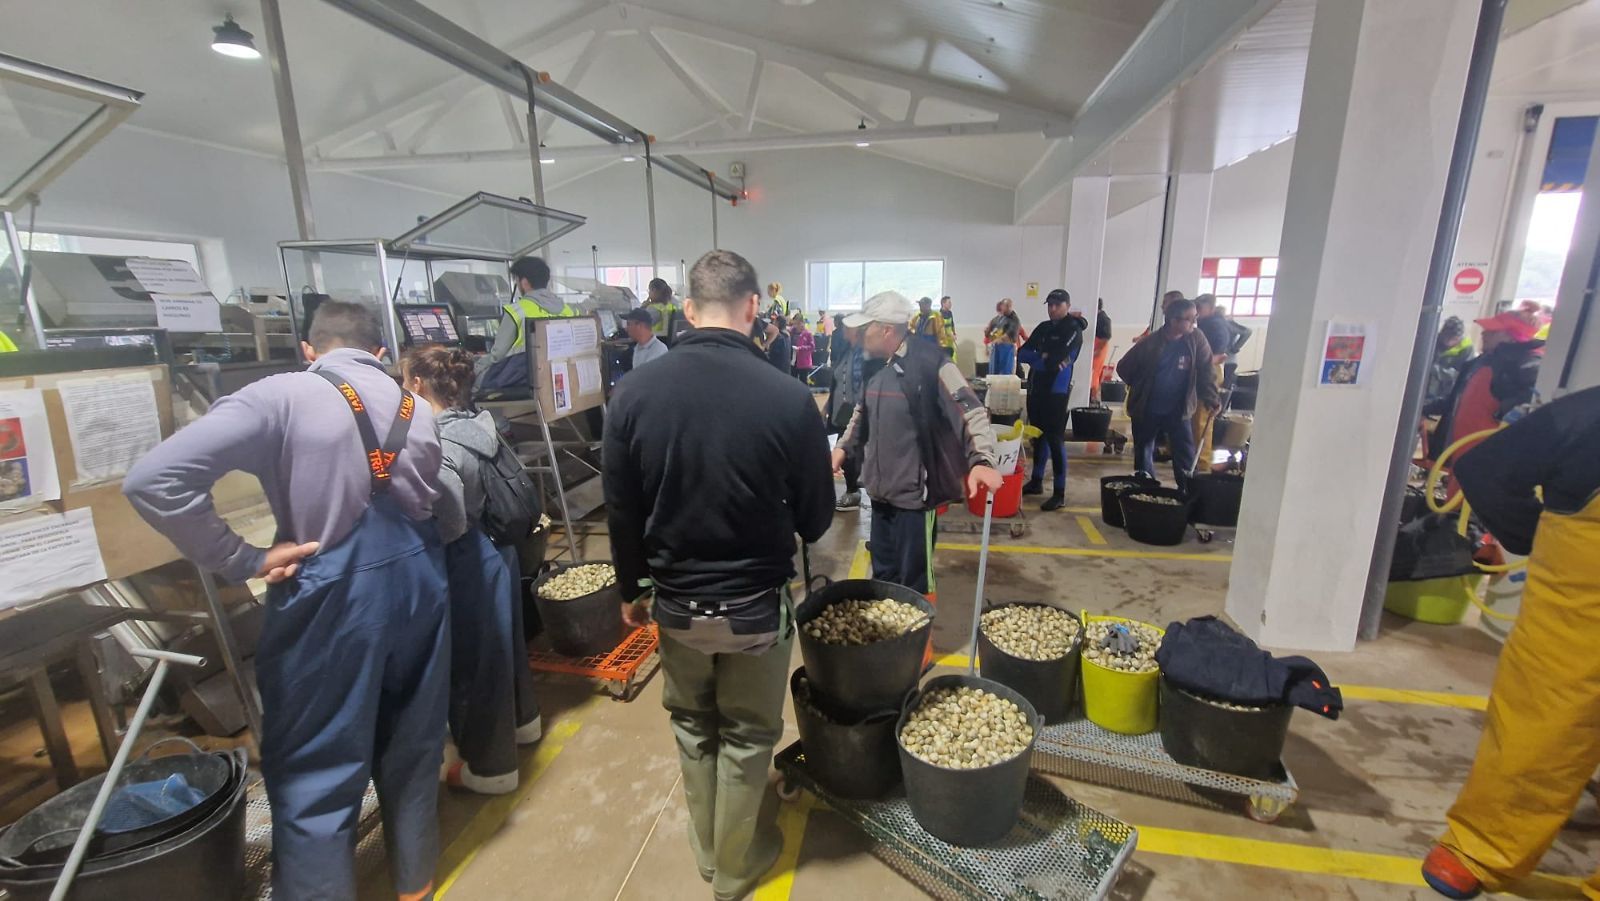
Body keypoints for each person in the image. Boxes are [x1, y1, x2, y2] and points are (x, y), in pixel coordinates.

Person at [124, 301, 448, 901]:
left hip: (332, 592)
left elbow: (154, 480)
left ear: (309, 349)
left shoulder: (281, 395)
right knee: (414, 741)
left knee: (316, 761)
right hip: (419, 584)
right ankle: (416, 884)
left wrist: (241, 558)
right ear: (380, 353)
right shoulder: (417, 409)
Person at [603, 249, 833, 901]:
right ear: (754, 307)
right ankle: (734, 867)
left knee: (692, 722)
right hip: (756, 608)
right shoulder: (789, 399)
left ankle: (706, 849)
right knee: (748, 732)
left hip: (673, 603)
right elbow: (817, 522)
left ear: (685, 307)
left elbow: (622, 506)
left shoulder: (634, 394)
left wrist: (632, 589)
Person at [1420, 385, 1600, 901]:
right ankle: (1479, 847)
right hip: (1581, 606)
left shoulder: (1583, 415)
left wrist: (1530, 538)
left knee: (1545, 716)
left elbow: (1484, 469)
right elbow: (1486, 470)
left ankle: (1479, 849)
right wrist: (1534, 539)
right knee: (1545, 719)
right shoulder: (1585, 416)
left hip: (1575, 603)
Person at [400, 346, 543, 797]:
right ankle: (524, 724)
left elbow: (451, 521)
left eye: (404, 381)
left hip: (468, 559)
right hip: (500, 553)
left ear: (419, 385)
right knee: (505, 650)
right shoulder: (482, 424)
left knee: (473, 666)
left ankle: (489, 767)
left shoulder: (436, 443)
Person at [834, 291, 1002, 599]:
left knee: (916, 582)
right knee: (884, 573)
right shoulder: (874, 365)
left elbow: (970, 409)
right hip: (880, 494)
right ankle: (891, 640)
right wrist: (843, 447)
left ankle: (918, 645)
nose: (859, 335)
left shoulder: (931, 363)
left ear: (886, 329)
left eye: (866, 327)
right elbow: (862, 412)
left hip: (915, 498)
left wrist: (982, 461)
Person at [1116, 298, 1219, 494]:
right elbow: (1124, 367)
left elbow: (1206, 369)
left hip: (1178, 409)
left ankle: (1187, 493)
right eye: (1189, 318)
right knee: (1144, 450)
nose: (1194, 322)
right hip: (1147, 408)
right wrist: (1141, 385)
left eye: (1195, 317)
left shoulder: (1196, 339)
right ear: (1173, 320)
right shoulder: (1151, 343)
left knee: (1185, 454)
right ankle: (1146, 493)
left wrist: (1212, 398)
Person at [1427, 312, 1542, 465]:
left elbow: (1526, 414)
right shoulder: (1479, 363)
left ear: (1511, 337)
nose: (1483, 333)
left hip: (1488, 460)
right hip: (1460, 454)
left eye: (1493, 331)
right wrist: (1422, 409)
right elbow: (1455, 401)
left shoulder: (1526, 368)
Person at [1019, 289, 1087, 511]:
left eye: (1057, 305)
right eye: (1049, 305)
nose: (1052, 309)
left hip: (1056, 391)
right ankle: (1037, 481)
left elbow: (1056, 361)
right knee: (1037, 437)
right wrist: (1042, 357)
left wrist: (1040, 358)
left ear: (1067, 305)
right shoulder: (1044, 327)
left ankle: (1059, 492)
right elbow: (1022, 353)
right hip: (1036, 388)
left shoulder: (1073, 330)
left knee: (1055, 439)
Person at [477, 256, 581, 389]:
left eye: (517, 280)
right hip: (560, 380)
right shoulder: (568, 310)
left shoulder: (517, 311)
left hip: (523, 381)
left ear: (524, 282)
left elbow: (497, 356)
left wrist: (475, 364)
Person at [826, 322, 869, 511]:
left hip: (855, 413)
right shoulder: (846, 351)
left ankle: (854, 491)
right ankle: (852, 488)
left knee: (851, 451)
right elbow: (837, 381)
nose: (842, 333)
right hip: (841, 412)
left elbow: (862, 386)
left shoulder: (864, 354)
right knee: (847, 452)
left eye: (846, 329)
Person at [1192, 294, 1232, 469]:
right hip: (1200, 369)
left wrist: (1207, 361)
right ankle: (1193, 457)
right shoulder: (1205, 324)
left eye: (1200, 309)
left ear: (1210, 308)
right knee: (1195, 418)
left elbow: (1217, 354)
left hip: (1209, 372)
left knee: (1203, 418)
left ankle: (1202, 463)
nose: (1197, 313)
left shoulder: (1216, 326)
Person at [1426, 316, 1475, 408]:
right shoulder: (1431, 341)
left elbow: (1462, 375)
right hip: (1423, 395)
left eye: (1453, 338)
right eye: (1446, 336)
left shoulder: (1467, 349)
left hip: (1444, 399)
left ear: (1459, 337)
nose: (1449, 340)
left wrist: (1436, 370)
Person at [986, 299, 1022, 376]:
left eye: (1008, 306)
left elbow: (1010, 334)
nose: (1005, 308)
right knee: (994, 374)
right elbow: (990, 332)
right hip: (996, 349)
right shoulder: (998, 319)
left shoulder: (1014, 319)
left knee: (1005, 374)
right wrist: (988, 331)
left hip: (1007, 349)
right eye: (1004, 306)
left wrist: (1000, 339)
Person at [644, 277, 682, 343]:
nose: (649, 293)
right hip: (670, 343)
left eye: (649, 290)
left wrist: (642, 307)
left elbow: (640, 326)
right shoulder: (673, 305)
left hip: (654, 343)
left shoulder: (654, 309)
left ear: (654, 290)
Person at [1090, 298, 1113, 403]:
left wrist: (1098, 350)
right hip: (1094, 346)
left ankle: (1093, 397)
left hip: (1099, 348)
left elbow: (1106, 337)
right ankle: (1091, 395)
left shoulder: (1104, 319)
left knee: (1094, 373)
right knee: (1092, 373)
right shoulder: (1095, 317)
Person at [789, 310, 815, 381]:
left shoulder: (808, 334)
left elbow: (812, 347)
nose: (796, 326)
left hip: (804, 362)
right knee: (792, 381)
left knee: (803, 381)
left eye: (798, 324)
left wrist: (800, 348)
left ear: (802, 323)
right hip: (793, 361)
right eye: (794, 324)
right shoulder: (791, 332)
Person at [938, 295, 958, 361]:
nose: (951, 304)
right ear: (943, 303)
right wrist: (949, 335)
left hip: (951, 340)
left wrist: (954, 334)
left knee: (954, 358)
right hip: (943, 341)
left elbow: (952, 324)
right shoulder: (939, 314)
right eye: (949, 302)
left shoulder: (950, 313)